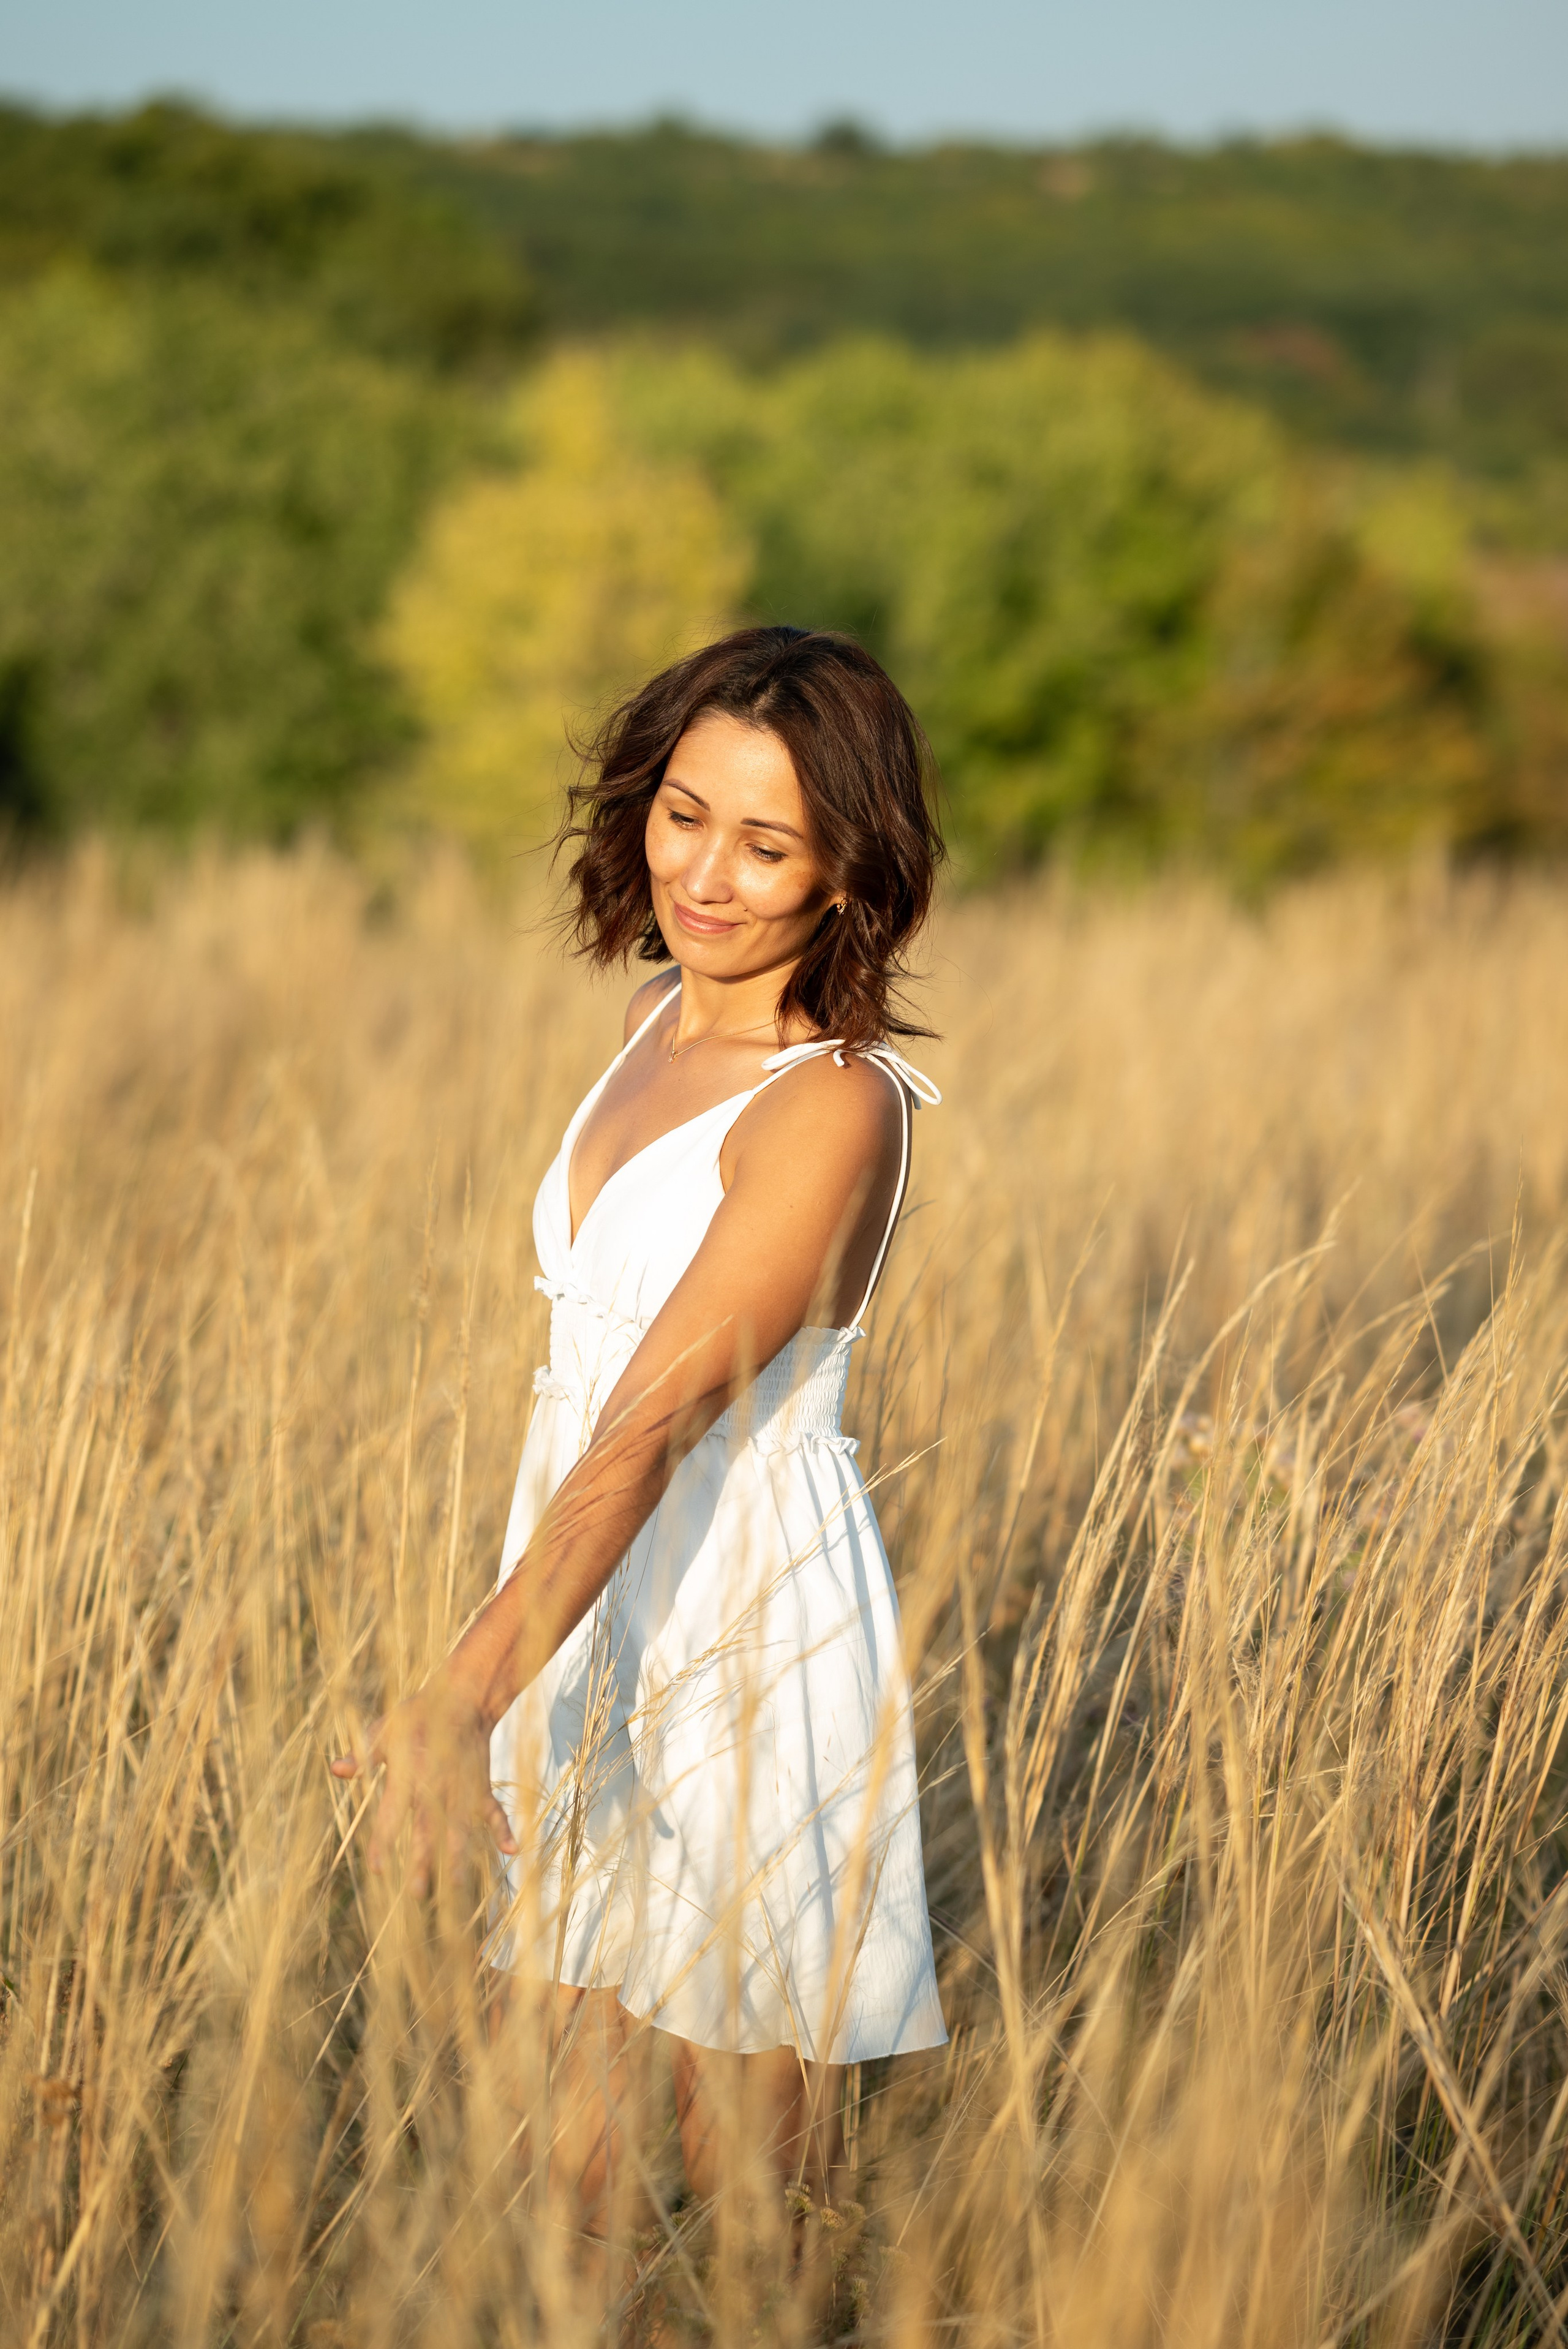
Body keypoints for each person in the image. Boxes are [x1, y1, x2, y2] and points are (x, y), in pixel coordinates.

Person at [333, 624, 948, 2282]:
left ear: (850, 864)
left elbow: (655, 1423)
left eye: (769, 842)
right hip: (593, 1593)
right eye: (686, 814)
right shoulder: (654, 1018)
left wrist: (457, 1696)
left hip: (747, 1619)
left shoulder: (835, 1103)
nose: (710, 873)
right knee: (555, 2183)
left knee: (749, 2192)